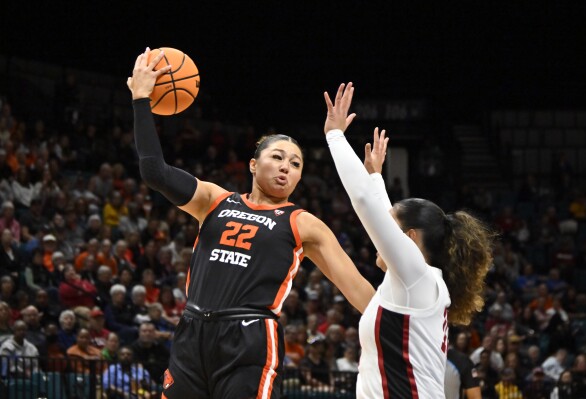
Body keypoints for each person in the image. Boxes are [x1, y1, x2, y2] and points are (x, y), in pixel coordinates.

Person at [127, 48, 374, 398]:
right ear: (253, 165)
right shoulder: (214, 200)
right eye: (277, 157)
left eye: (296, 163)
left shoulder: (304, 224)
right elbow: (154, 172)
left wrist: (409, 322)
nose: (287, 166)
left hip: (249, 338)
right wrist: (140, 99)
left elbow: (359, 291)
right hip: (192, 331)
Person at [323, 82, 494, 398]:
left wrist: (334, 135)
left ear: (410, 239)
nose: (380, 238)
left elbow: (364, 203)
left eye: (391, 232)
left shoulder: (416, 277)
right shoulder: (416, 280)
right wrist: (375, 176)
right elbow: (385, 211)